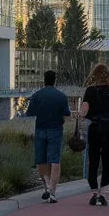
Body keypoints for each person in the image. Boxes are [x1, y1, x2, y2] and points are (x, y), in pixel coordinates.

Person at [79, 63, 109, 206]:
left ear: (94, 75)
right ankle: (102, 192)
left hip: (95, 127)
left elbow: (84, 109)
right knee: (107, 160)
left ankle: (94, 192)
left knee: (93, 159)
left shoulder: (90, 90)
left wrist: (80, 115)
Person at [24, 70, 71, 203]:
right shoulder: (61, 96)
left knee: (41, 160)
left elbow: (30, 112)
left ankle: (46, 187)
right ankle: (53, 191)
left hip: (40, 128)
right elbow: (66, 113)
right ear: (54, 80)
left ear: (44, 80)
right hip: (56, 129)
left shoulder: (37, 95)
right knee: (55, 160)